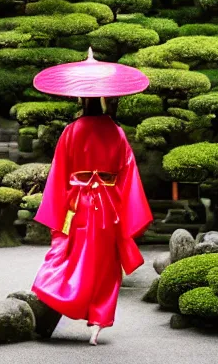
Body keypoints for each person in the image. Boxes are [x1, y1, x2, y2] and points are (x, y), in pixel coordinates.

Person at [30, 53, 153, 344]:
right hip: (109, 208)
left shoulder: (72, 131)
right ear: (104, 99)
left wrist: (56, 214)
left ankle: (58, 295)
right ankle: (98, 323)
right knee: (107, 265)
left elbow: (59, 174)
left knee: (69, 253)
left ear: (80, 100)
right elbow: (128, 175)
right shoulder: (117, 132)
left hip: (78, 206)